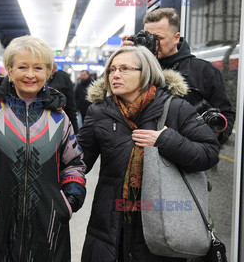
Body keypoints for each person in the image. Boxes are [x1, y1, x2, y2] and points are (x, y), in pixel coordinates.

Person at [77, 46, 220, 261]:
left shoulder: (175, 108)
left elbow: (209, 153)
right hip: (110, 224)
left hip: (162, 223)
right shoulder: (99, 112)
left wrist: (165, 140)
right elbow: (78, 162)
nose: (115, 75)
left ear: (146, 73)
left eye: (125, 69)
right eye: (112, 70)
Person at [0, 35, 87, 261]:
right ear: (9, 70)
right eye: (22, 67)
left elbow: (74, 164)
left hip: (48, 228)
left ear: (49, 72)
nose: (30, 74)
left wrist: (68, 202)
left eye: (38, 67)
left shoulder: (59, 118)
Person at [122, 8, 235, 145]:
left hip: (186, 154)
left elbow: (225, 114)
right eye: (148, 38)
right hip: (138, 148)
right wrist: (125, 60)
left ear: (176, 38)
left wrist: (213, 137)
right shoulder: (135, 68)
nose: (152, 44)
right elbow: (111, 104)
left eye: (159, 38)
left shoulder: (203, 71)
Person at [47, 63, 79, 132]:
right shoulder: (38, 76)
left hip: (58, 121)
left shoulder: (63, 77)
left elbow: (70, 104)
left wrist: (75, 129)